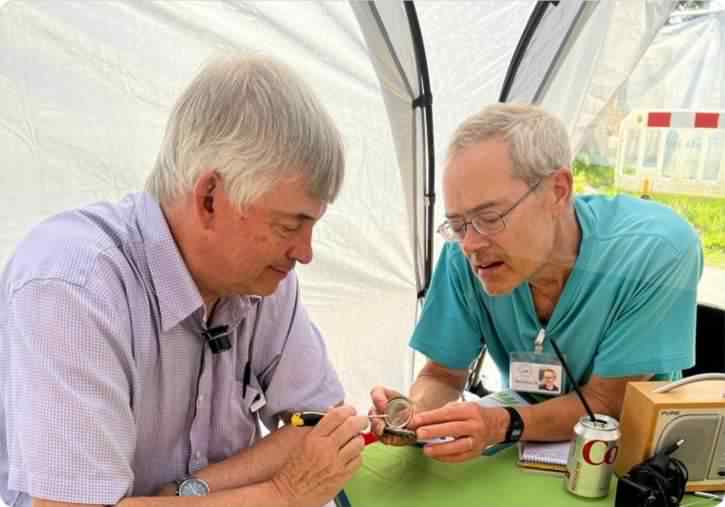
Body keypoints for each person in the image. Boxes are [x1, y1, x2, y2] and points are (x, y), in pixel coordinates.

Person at [0, 55, 368, 507]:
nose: (305, 253)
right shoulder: (74, 286)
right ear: (210, 197)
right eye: (290, 225)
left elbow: (317, 430)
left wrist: (192, 490)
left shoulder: (262, 281)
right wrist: (282, 493)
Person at [371, 103, 702, 463]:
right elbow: (443, 373)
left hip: (627, 454)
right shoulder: (462, 256)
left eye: (489, 217)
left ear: (558, 190)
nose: (470, 245)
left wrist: (502, 424)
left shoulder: (656, 250)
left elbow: (607, 403)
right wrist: (412, 414)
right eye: (458, 223)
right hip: (523, 437)